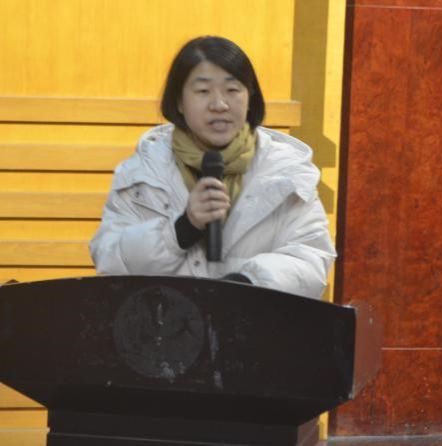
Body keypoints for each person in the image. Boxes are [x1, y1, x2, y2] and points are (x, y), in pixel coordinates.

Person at [89, 36, 335, 299]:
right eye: (203, 91)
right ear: (179, 101)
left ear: (250, 97)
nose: (219, 105)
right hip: (168, 321)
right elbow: (110, 259)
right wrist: (180, 231)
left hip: (254, 320)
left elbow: (311, 259)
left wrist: (248, 283)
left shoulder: (286, 172)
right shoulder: (143, 173)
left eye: (232, 90)